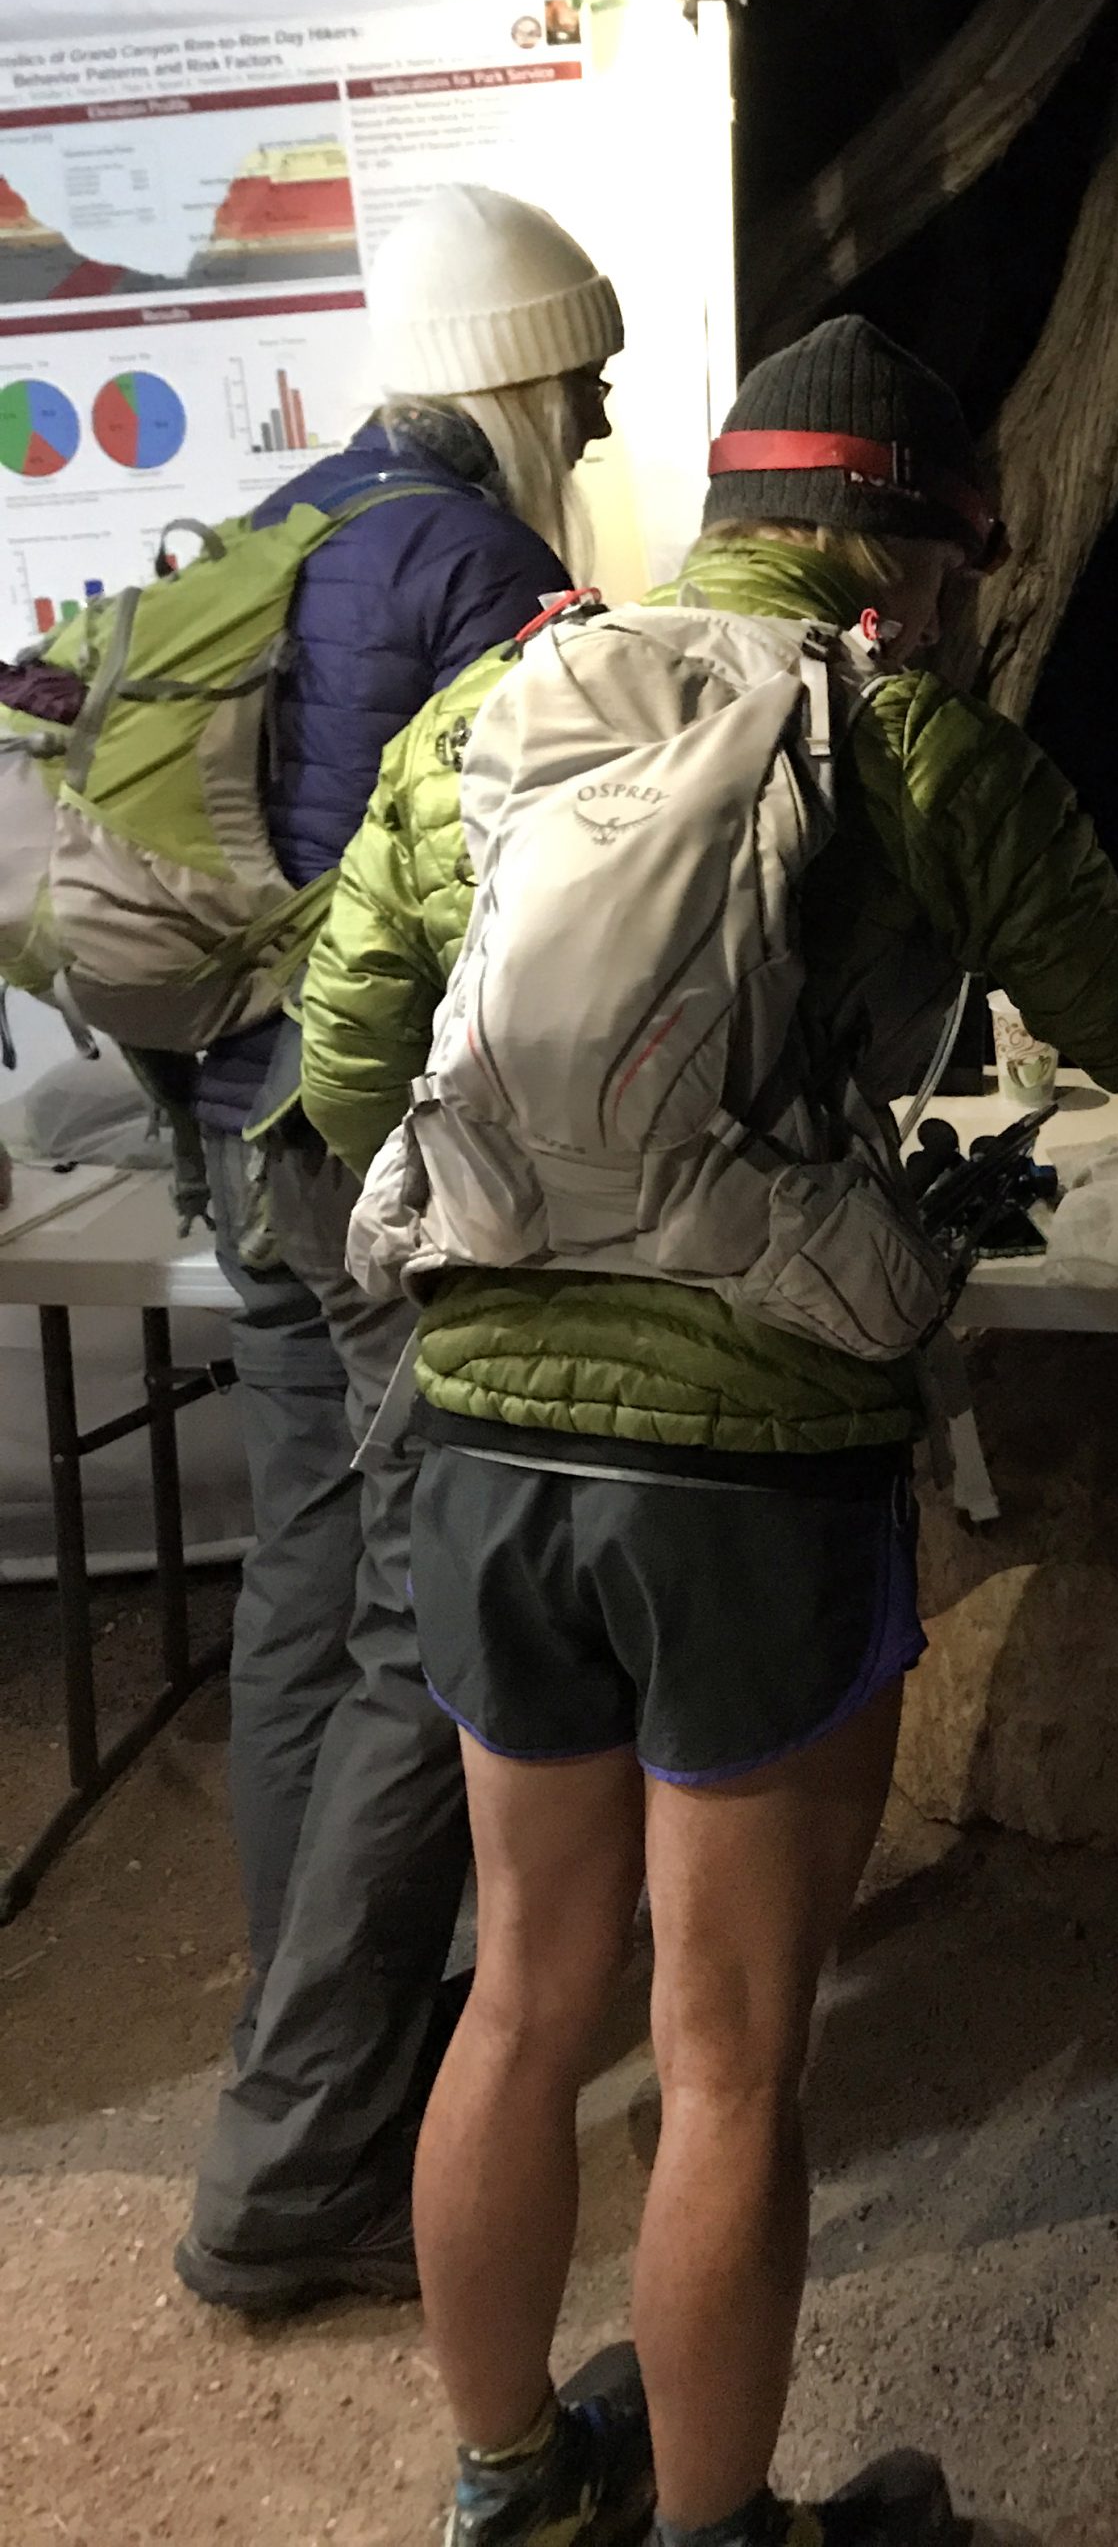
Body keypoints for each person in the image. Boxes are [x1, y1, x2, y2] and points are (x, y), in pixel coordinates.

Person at [300, 316, 1118, 2547]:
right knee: (725, 2054)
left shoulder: (497, 704)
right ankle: (717, 2526)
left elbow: (339, 1050)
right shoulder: (913, 743)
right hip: (750, 1456)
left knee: (514, 1998)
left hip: (490, 1425)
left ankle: (508, 2480)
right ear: (910, 545)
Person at [174, 182, 620, 2314]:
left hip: (232, 1128)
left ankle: (308, 2057)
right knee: (410, 1636)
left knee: (303, 1588)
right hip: (363, 1156)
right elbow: (524, 903)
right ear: (521, 376)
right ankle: (300, 2161)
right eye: (586, 381)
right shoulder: (484, 562)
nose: (599, 411)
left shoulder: (293, 522)